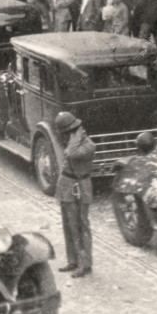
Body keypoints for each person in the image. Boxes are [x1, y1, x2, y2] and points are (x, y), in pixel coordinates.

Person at [54, 111, 95, 278]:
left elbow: (71, 154)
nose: (64, 137)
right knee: (68, 225)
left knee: (80, 225)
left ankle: (84, 264)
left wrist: (76, 138)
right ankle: (73, 260)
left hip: (81, 186)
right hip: (66, 184)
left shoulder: (88, 145)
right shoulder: (70, 141)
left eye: (67, 133)